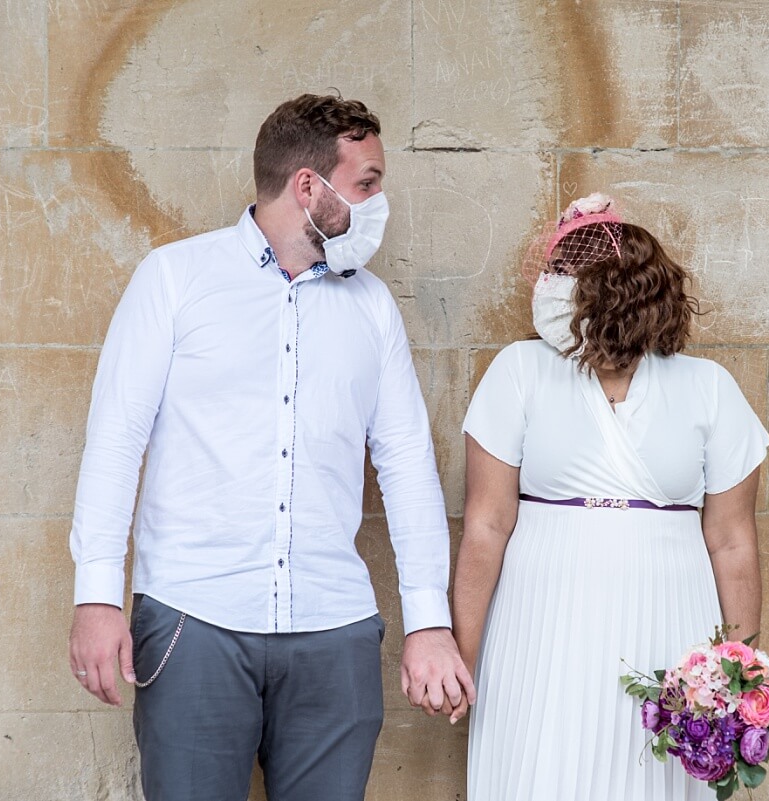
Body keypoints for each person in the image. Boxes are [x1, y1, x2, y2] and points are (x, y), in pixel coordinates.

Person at [67, 93, 474, 801]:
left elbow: (406, 464)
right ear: (308, 186)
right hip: (192, 620)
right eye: (368, 183)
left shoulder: (372, 306)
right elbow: (115, 440)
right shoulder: (174, 280)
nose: (380, 202)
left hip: (334, 628)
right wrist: (97, 597)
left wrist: (429, 621)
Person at [453, 194, 769, 800]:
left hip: (668, 619)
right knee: (540, 767)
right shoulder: (519, 371)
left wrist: (737, 675)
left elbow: (731, 541)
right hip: (539, 624)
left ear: (621, 291)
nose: (550, 287)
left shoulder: (709, 389)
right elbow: (486, 526)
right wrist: (463, 661)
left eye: (567, 277)